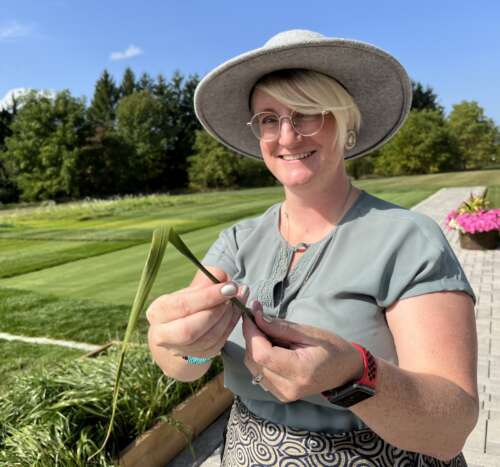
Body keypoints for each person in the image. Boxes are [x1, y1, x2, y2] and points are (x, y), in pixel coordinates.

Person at [146, 29, 478, 466]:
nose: (287, 136)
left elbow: (449, 428)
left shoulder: (408, 239)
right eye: (269, 118)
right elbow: (181, 364)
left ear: (347, 127)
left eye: (308, 113)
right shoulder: (238, 242)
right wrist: (186, 344)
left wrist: (352, 373)